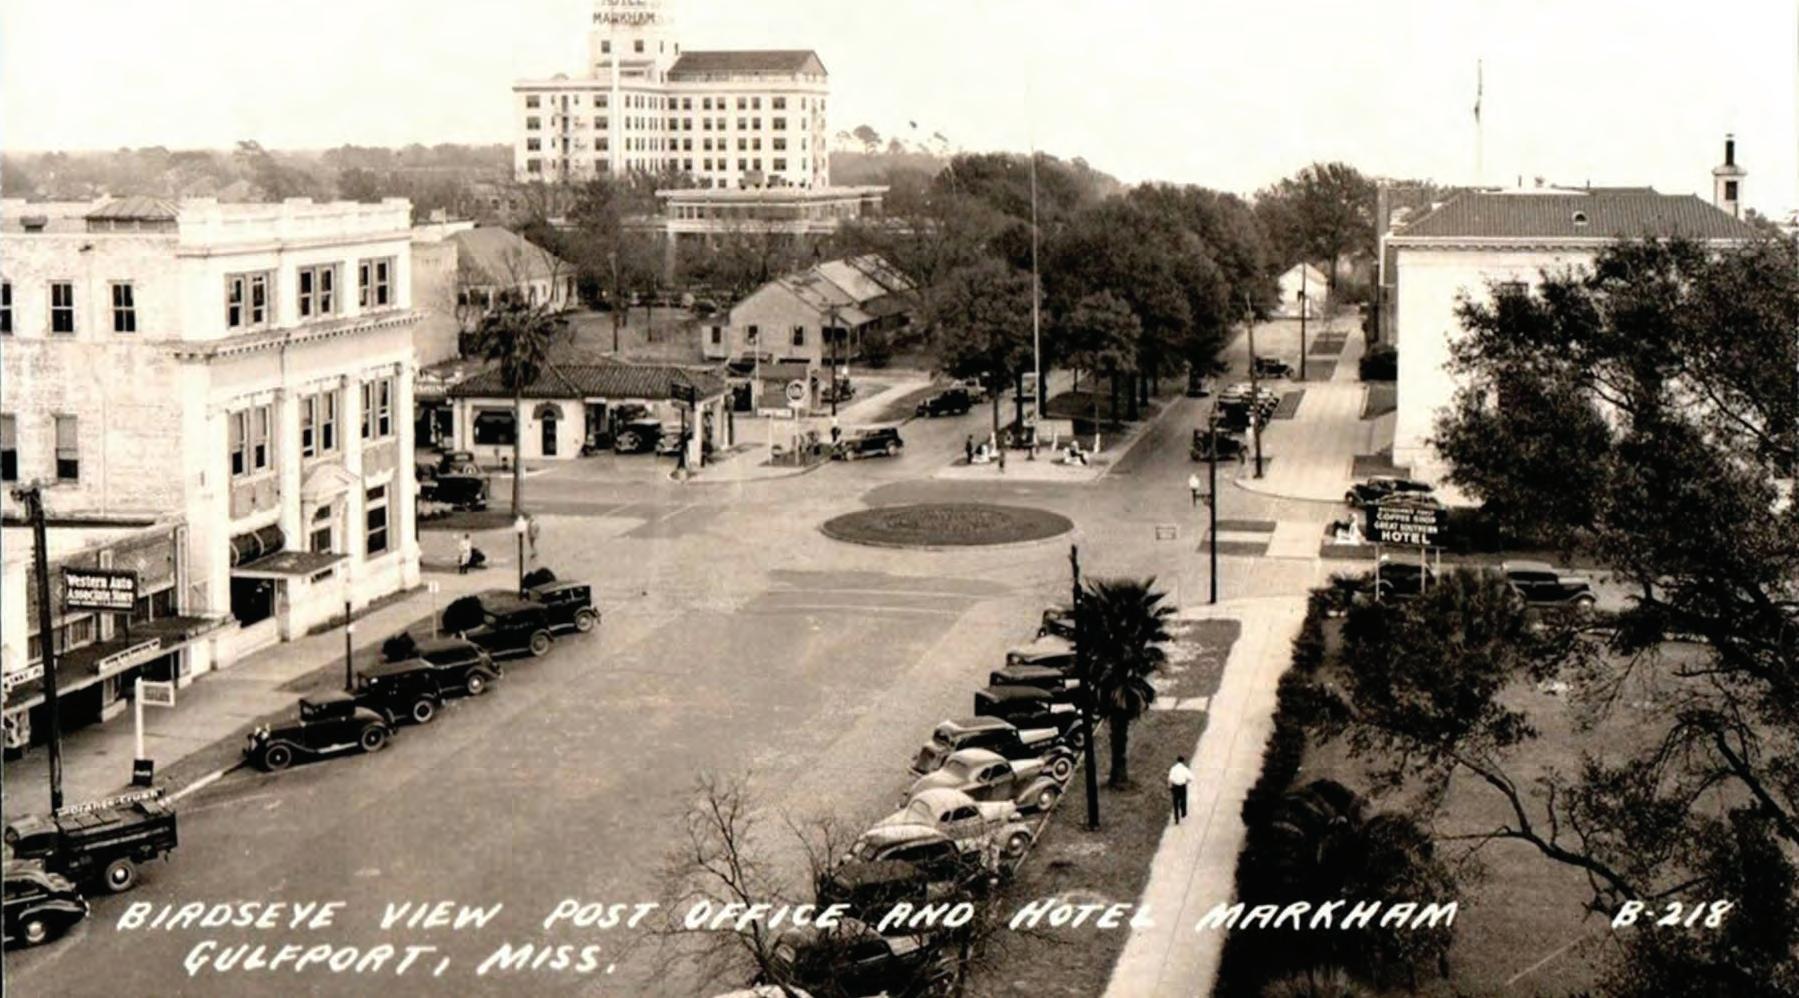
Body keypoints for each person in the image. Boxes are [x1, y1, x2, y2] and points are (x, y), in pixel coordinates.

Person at [1168, 754, 1193, 824]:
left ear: (1177, 761)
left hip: (1175, 787)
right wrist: (1186, 782)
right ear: (1183, 761)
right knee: (1183, 799)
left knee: (1175, 802)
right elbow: (1191, 778)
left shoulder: (1173, 768)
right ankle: (1183, 812)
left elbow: (1170, 779)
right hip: (1182, 786)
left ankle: (1176, 819)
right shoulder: (1185, 769)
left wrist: (1170, 786)